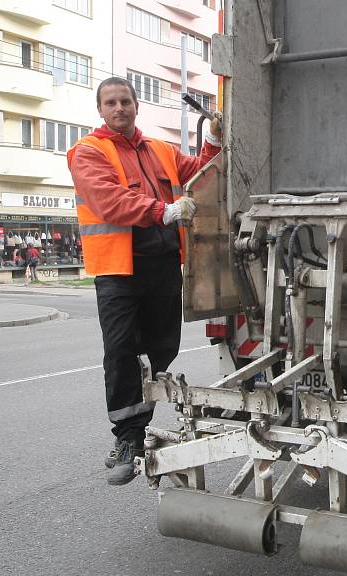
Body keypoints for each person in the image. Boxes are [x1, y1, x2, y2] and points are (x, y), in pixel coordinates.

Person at [67, 76, 222, 485]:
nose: (119, 108)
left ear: (137, 106)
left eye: (125, 101)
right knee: (121, 353)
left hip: (163, 266)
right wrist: (165, 212)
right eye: (111, 103)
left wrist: (215, 141)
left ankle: (135, 427)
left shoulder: (161, 150)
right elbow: (108, 200)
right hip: (119, 271)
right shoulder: (87, 152)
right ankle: (127, 438)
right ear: (100, 110)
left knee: (161, 350)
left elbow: (201, 175)